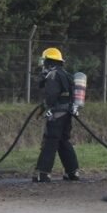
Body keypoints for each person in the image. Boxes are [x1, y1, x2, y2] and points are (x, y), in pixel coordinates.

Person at [33, 47, 80, 183]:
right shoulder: (66, 74)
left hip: (56, 114)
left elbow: (51, 95)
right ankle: (73, 172)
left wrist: (48, 108)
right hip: (68, 113)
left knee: (50, 141)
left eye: (44, 61)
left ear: (48, 61)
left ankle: (43, 173)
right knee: (63, 141)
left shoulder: (53, 75)